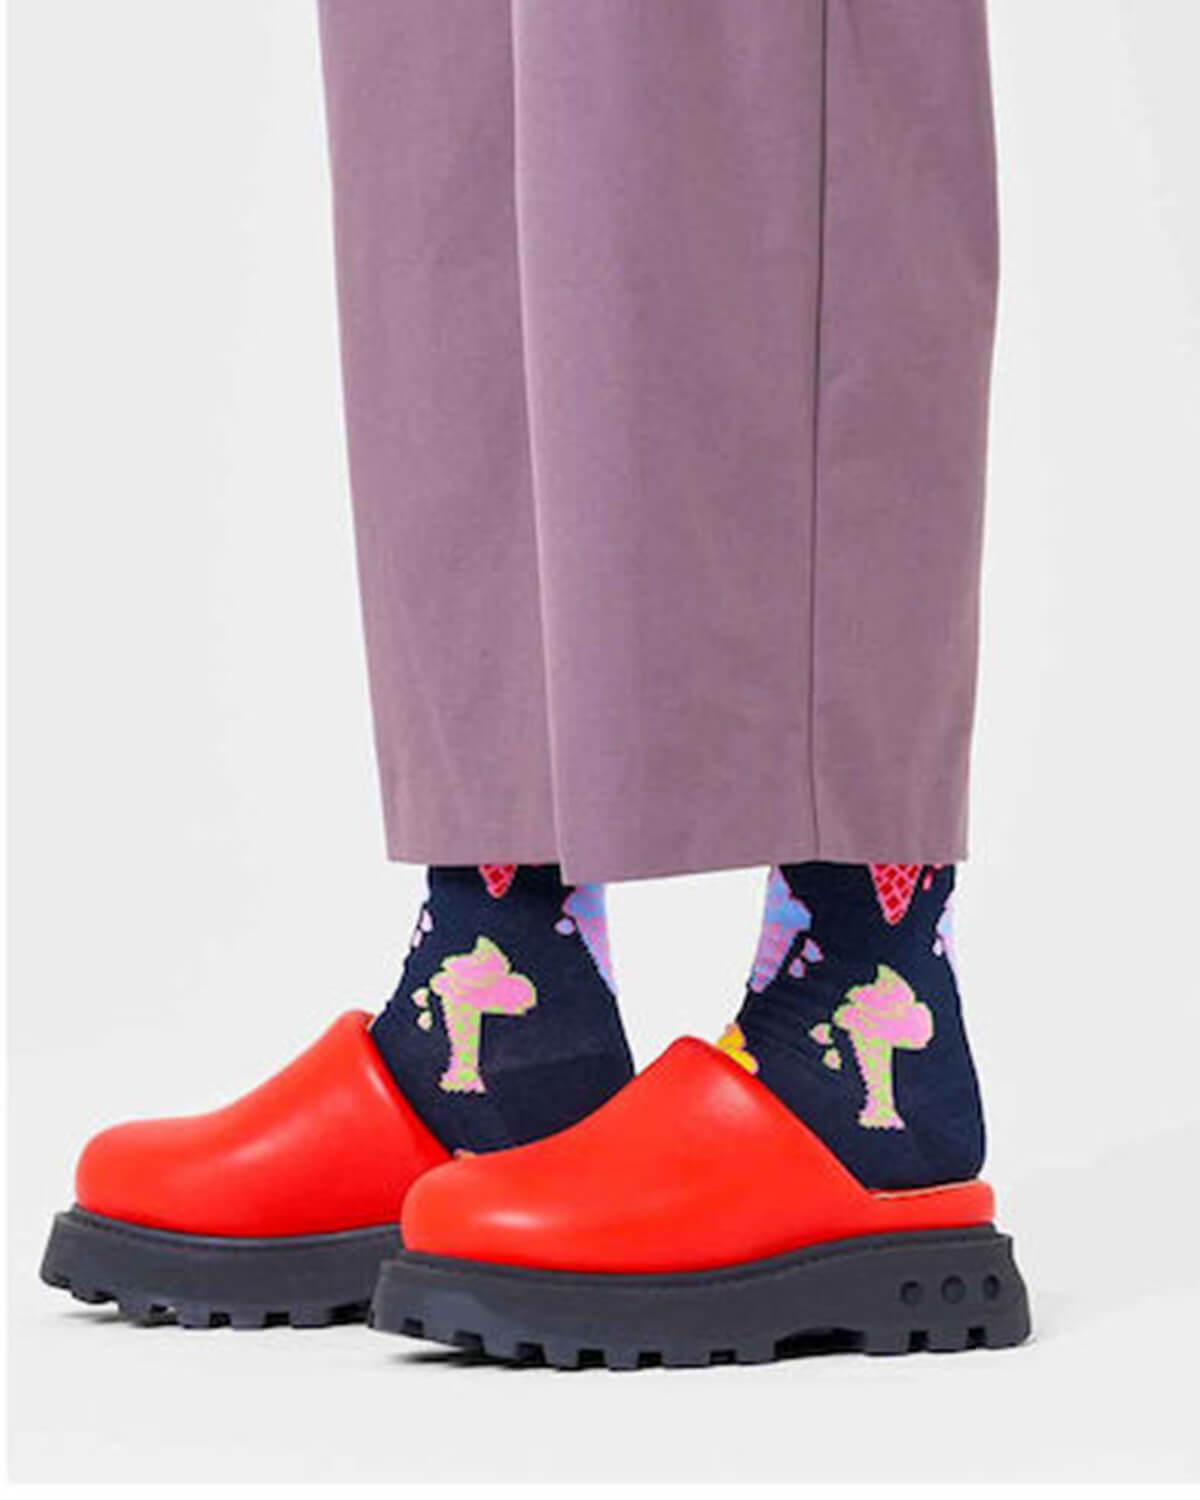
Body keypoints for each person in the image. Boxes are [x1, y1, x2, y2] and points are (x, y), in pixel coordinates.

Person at [40, 0, 1030, 1367]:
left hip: (862, 1054)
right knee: (458, 106)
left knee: (724, 65)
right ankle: (512, 1009)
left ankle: (867, 1025)